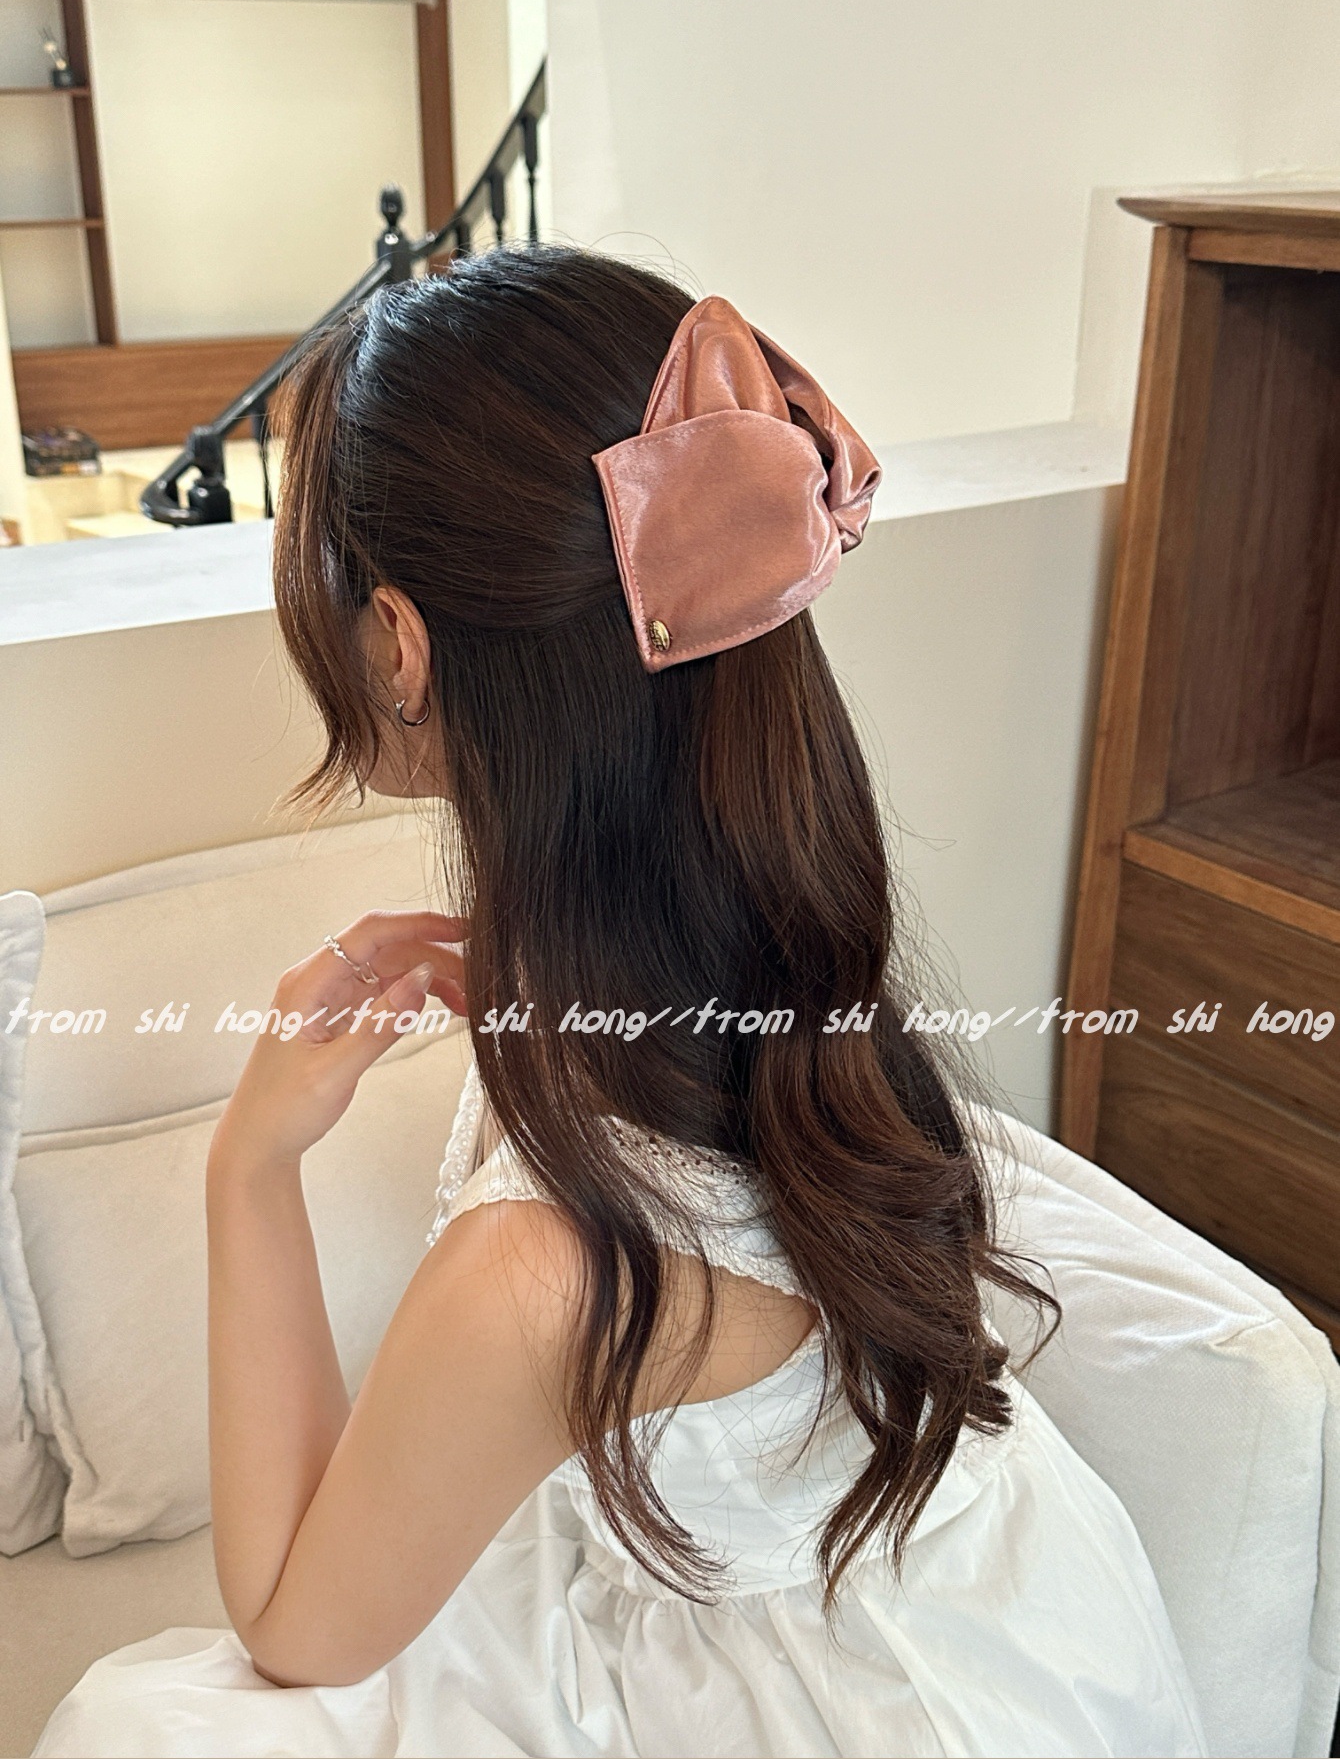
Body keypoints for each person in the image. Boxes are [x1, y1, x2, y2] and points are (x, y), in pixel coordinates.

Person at [36, 249, 1205, 1759]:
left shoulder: (542, 1274)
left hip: (850, 1704)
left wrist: (249, 1167)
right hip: (1012, 1604)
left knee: (137, 1729)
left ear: (398, 642)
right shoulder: (795, 998)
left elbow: (294, 1626)